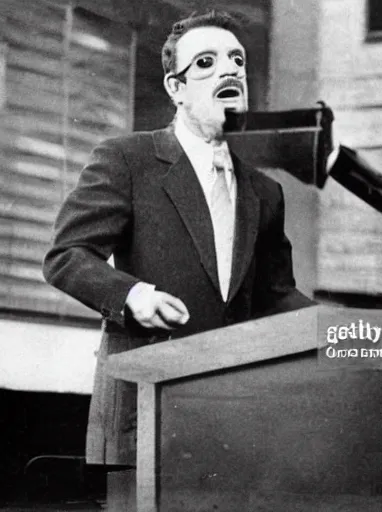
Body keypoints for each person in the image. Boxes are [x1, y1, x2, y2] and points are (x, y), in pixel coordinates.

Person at [43, 10, 312, 466]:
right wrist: (132, 294)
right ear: (176, 88)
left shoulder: (266, 192)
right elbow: (67, 256)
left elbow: (276, 297)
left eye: (237, 61)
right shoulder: (128, 159)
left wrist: (347, 326)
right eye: (205, 62)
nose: (228, 70)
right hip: (143, 414)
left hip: (231, 419)